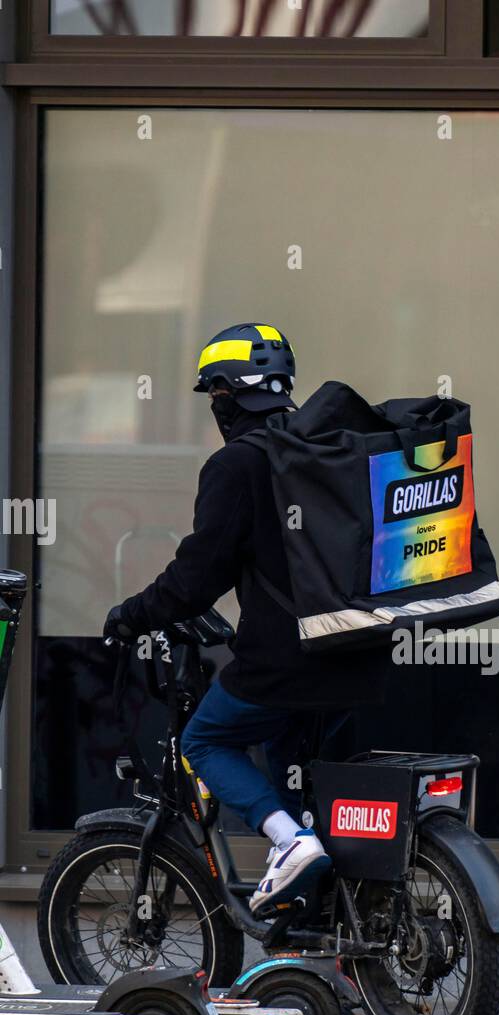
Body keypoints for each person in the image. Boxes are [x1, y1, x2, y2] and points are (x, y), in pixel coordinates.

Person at [104, 323, 390, 913]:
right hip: (358, 647)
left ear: (232, 397)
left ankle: (288, 846)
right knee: (301, 773)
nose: (215, 408)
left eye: (215, 395)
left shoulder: (238, 464)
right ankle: (331, 920)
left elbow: (196, 577)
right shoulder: (324, 449)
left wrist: (133, 615)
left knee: (205, 740)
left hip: (288, 659)